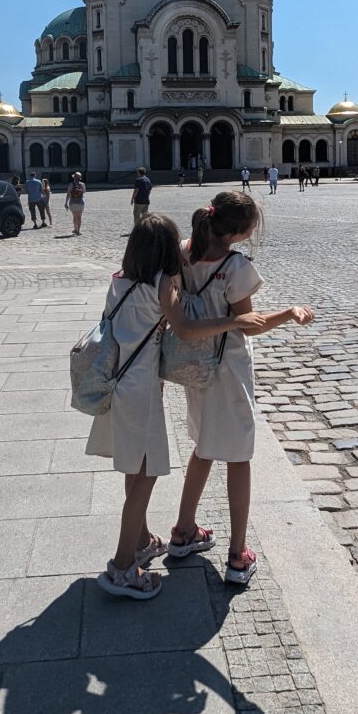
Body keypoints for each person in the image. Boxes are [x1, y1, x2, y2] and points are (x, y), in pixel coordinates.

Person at [86, 213, 267, 600]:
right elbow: (184, 329)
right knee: (147, 474)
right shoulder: (161, 283)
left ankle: (141, 542)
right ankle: (122, 567)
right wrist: (232, 321)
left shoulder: (118, 279)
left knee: (134, 469)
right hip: (141, 389)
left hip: (116, 381)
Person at [168, 192, 315, 585]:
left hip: (194, 366)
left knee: (202, 447)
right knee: (238, 457)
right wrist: (289, 313)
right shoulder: (235, 266)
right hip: (228, 370)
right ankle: (237, 555)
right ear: (236, 233)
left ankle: (183, 532)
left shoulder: (184, 251)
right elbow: (249, 322)